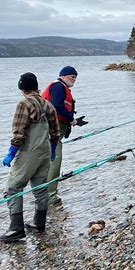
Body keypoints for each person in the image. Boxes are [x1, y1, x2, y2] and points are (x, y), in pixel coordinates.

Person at [0, 73, 60, 242]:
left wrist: (11, 153)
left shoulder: (24, 104)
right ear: (36, 86)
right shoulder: (48, 104)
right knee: (40, 187)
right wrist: (53, 149)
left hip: (28, 153)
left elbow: (19, 132)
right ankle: (39, 223)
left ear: (22, 87)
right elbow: (55, 132)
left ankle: (16, 229)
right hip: (45, 151)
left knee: (12, 188)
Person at [42, 66, 87, 201]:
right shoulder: (58, 87)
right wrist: (71, 119)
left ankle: (44, 192)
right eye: (72, 77)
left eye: (75, 77)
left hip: (53, 130)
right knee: (55, 160)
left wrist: (74, 121)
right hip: (51, 131)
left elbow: (60, 107)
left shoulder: (61, 87)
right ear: (63, 76)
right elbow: (57, 106)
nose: (74, 80)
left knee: (50, 160)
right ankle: (50, 196)